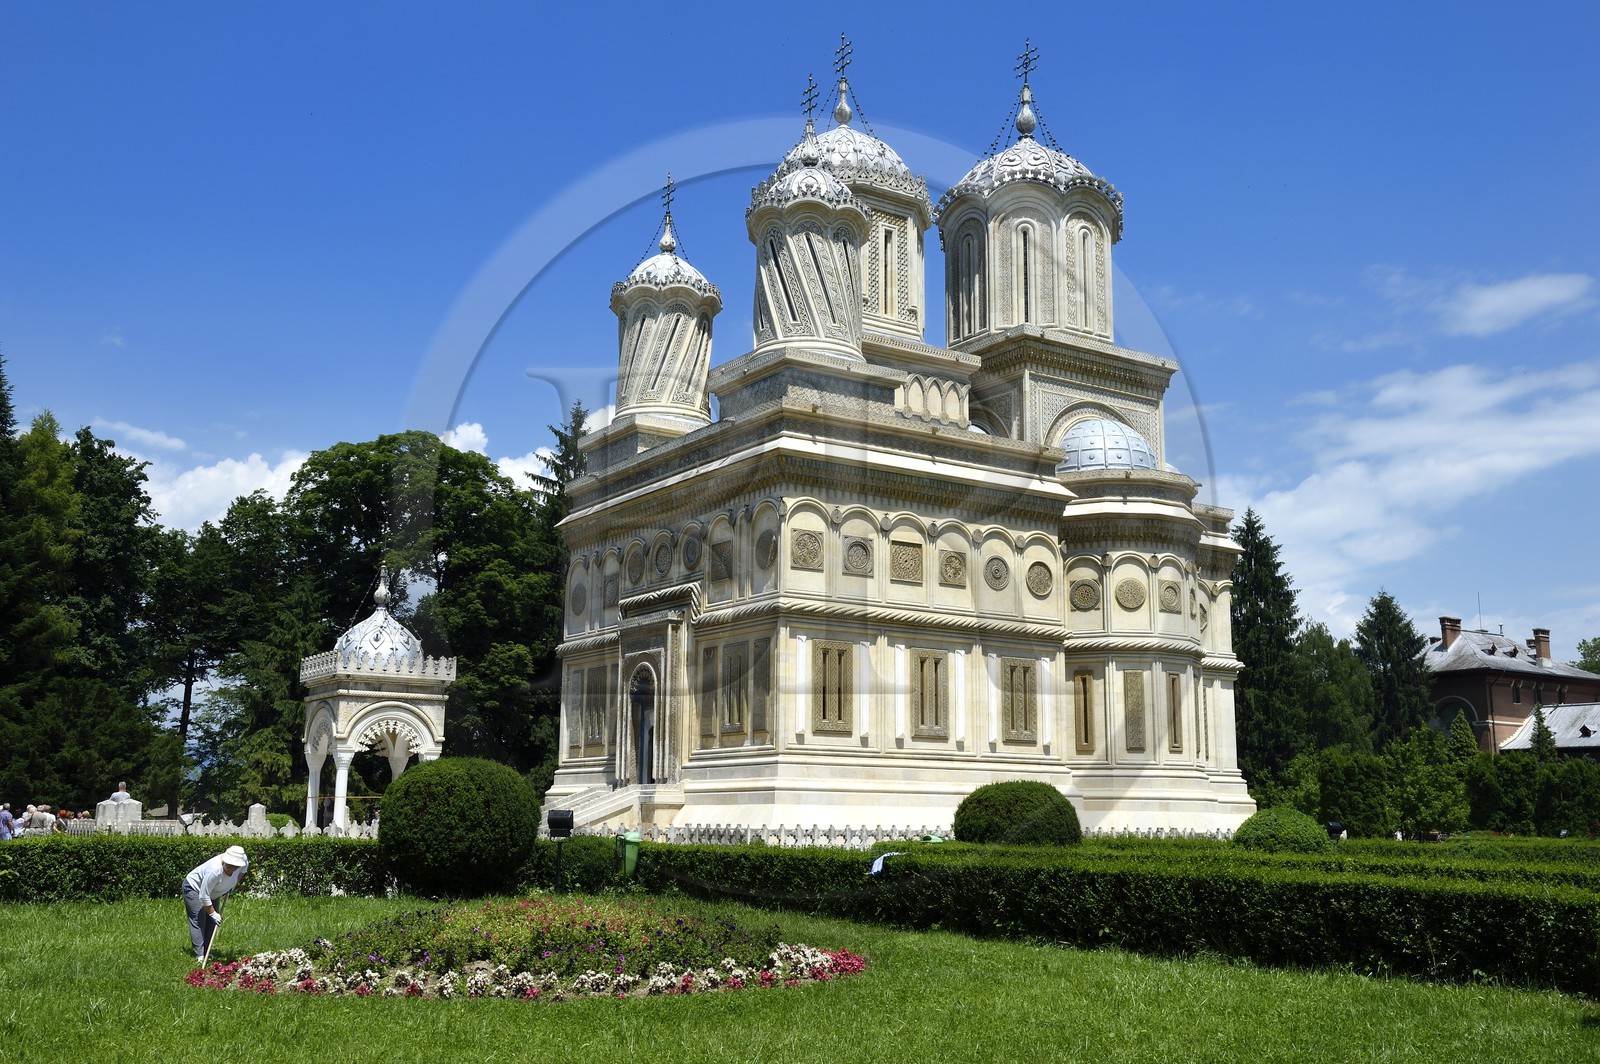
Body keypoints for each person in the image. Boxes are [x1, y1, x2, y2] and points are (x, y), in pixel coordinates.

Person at [182, 845, 249, 963]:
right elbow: (203, 896)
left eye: (234, 867)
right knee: (199, 919)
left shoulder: (242, 861)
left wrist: (232, 885)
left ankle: (207, 951)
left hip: (214, 892)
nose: (230, 869)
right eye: (228, 866)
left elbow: (242, 871)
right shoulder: (214, 871)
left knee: (211, 922)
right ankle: (200, 956)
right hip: (195, 888)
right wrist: (213, 913)